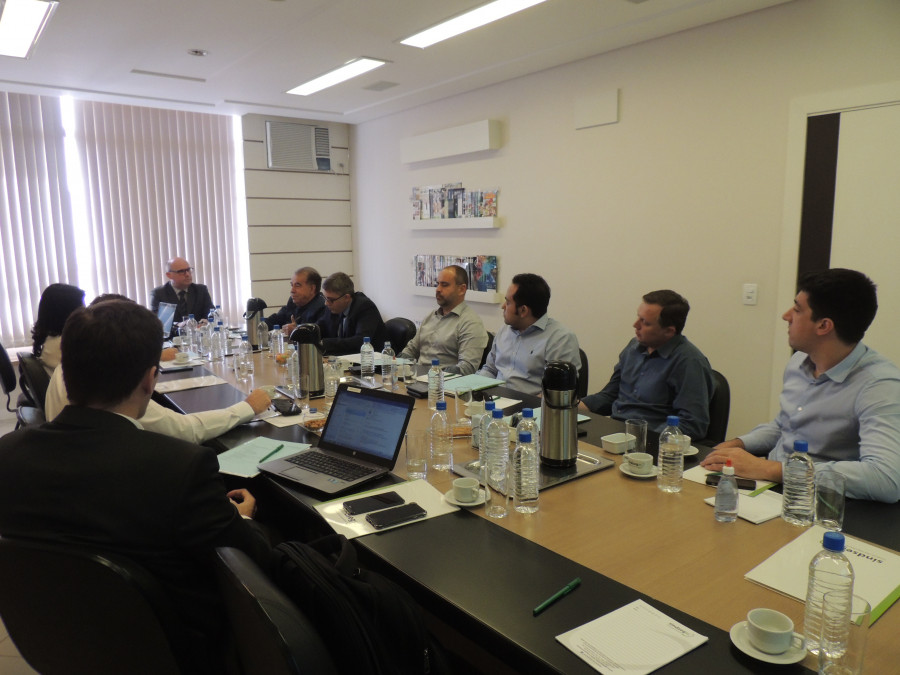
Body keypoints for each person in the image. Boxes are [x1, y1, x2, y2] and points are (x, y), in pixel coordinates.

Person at [0, 300, 272, 671]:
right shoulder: (178, 467)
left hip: (54, 643)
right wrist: (242, 519)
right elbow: (252, 559)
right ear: (149, 378)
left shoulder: (8, 455)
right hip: (177, 652)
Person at [702, 268, 900, 503]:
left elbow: (885, 478)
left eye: (797, 309)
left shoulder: (879, 385)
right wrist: (738, 444)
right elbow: (785, 426)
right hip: (768, 488)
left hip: (821, 503)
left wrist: (770, 469)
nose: (786, 316)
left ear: (823, 326)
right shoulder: (799, 362)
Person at [44, 294, 271, 442]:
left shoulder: (71, 365)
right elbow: (188, 431)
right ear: (150, 378)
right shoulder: (118, 394)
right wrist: (247, 407)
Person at [579, 290, 715, 441]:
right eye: (638, 317)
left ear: (669, 331)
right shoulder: (633, 348)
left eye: (645, 322)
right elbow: (610, 395)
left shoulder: (689, 362)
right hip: (617, 434)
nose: (635, 325)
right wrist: (570, 409)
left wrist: (643, 439)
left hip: (653, 442)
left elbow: (693, 424)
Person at [477, 273, 580, 396]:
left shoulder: (560, 339)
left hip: (530, 405)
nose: (503, 306)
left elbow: (557, 393)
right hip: (495, 401)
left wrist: (525, 405)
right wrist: (473, 388)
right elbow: (490, 369)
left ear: (523, 310)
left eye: (508, 302)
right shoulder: (504, 330)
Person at [399, 265, 488, 375]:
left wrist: (436, 376)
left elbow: (467, 368)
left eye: (444, 285)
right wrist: (396, 364)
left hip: (442, 382)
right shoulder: (431, 316)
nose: (438, 289)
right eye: (438, 284)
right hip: (416, 378)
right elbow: (411, 350)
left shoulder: (471, 323)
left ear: (461, 289)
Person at [316, 271, 385, 355]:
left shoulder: (365, 307)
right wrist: (306, 332)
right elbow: (320, 327)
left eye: (330, 300)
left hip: (370, 359)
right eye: (325, 298)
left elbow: (360, 341)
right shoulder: (333, 307)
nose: (326, 303)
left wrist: (324, 343)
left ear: (346, 297)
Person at [149, 256, 214, 335]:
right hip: (172, 339)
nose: (187, 274)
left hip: (199, 337)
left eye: (188, 270)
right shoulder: (159, 294)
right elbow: (159, 326)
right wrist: (178, 326)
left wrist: (205, 323)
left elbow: (212, 315)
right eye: (181, 271)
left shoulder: (201, 290)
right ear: (169, 275)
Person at [31, 283, 86, 376]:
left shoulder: (50, 340)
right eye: (82, 308)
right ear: (68, 313)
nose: (86, 312)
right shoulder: (64, 345)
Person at [264, 266, 327, 333]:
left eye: (297, 285)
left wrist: (297, 330)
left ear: (312, 288)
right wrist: (261, 325)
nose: (292, 290)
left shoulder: (322, 307)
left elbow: (317, 333)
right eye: (292, 285)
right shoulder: (293, 301)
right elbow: (275, 320)